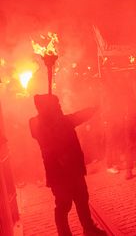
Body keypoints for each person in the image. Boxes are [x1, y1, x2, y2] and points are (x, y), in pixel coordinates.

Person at [29, 94, 106, 236]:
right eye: (56, 105)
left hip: (74, 169)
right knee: (63, 205)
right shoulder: (37, 124)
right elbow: (40, 131)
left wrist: (93, 109)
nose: (59, 106)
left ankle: (88, 229)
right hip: (58, 173)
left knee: (82, 199)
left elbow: (78, 116)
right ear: (47, 107)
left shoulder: (62, 120)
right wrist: (47, 117)